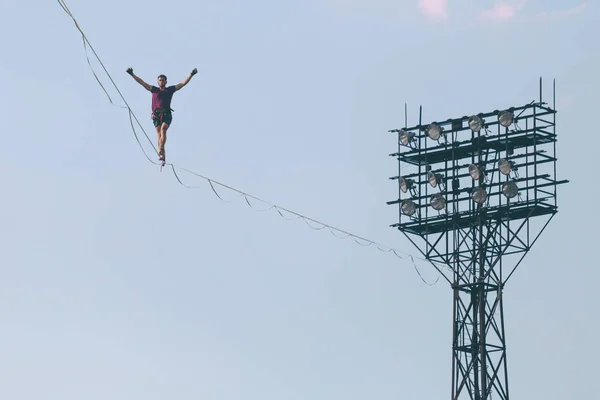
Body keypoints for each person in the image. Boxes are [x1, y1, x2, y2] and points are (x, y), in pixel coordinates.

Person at [126, 67, 198, 163]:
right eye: (160, 80)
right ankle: (162, 154)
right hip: (156, 115)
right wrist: (132, 74)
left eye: (163, 80)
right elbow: (142, 82)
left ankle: (161, 148)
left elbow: (182, 83)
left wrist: (191, 74)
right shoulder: (154, 90)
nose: (161, 82)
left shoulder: (170, 90)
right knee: (159, 134)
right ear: (158, 82)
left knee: (163, 130)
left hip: (166, 114)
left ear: (166, 81)